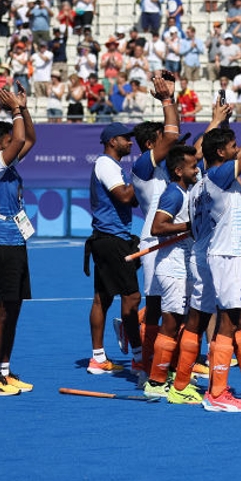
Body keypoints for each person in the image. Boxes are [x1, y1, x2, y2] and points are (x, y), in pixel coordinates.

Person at [182, 87, 241, 411]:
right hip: (228, 257)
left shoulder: (208, 177)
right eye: (233, 148)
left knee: (229, 318)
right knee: (229, 319)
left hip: (216, 255)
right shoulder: (222, 175)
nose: (239, 151)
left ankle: (240, 383)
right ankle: (218, 391)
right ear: (221, 155)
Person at [0, 87, 38, 395]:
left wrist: (23, 109)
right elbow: (18, 141)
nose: (13, 145)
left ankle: (4, 371)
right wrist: (14, 111)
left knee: (13, 310)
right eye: (6, 142)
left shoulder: (8, 166)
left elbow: (30, 140)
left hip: (16, 243)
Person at [126, 72, 181, 389]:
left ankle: (163, 362)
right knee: (159, 308)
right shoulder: (143, 166)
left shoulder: (161, 165)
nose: (168, 138)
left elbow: (176, 135)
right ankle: (146, 367)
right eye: (160, 136)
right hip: (155, 243)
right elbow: (172, 136)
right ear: (150, 144)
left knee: (174, 308)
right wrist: (166, 100)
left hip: (172, 241)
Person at [86, 120, 147, 377]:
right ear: (112, 141)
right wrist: (142, 175)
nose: (130, 142)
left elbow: (128, 200)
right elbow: (124, 196)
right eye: (125, 138)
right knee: (131, 297)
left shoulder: (112, 165)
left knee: (103, 297)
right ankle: (138, 357)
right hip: (111, 239)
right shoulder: (106, 164)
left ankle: (98, 358)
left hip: (109, 237)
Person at [142, 144, 201, 402]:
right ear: (179, 170)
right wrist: (189, 225)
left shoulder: (186, 192)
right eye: (192, 166)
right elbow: (157, 227)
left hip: (182, 266)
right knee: (170, 323)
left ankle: (172, 373)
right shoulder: (174, 194)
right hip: (173, 267)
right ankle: (155, 380)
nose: (197, 169)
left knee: (181, 322)